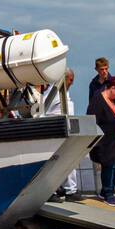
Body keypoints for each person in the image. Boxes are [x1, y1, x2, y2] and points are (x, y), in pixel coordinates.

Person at [88, 56, 115, 192]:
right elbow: (92, 104)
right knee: (107, 158)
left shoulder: (114, 83)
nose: (104, 72)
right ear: (96, 70)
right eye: (101, 69)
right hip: (103, 124)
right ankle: (108, 188)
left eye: (106, 69)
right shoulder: (93, 85)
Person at [48, 69, 78, 198]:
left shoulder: (65, 93)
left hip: (68, 131)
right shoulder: (53, 93)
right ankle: (52, 190)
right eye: (71, 80)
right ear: (65, 79)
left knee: (70, 160)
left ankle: (70, 189)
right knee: (55, 163)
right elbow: (45, 112)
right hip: (56, 132)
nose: (72, 83)